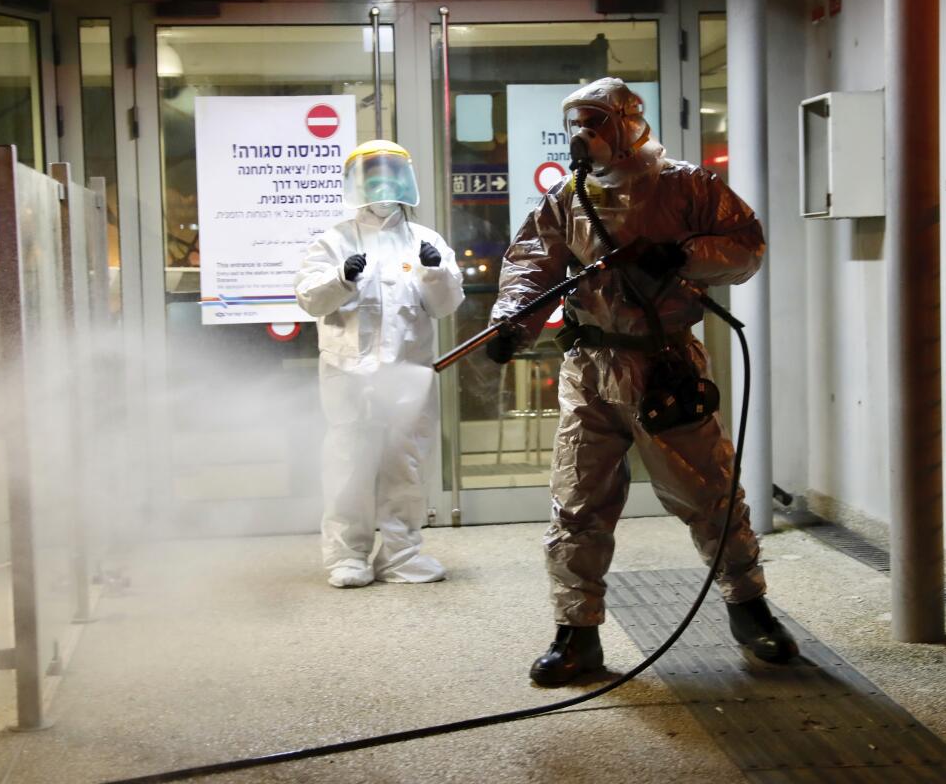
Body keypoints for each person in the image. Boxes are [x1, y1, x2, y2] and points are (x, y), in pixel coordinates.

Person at [485, 78, 798, 685]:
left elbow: (746, 247)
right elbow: (531, 264)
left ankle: (749, 608)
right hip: (591, 373)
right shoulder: (566, 200)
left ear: (630, 122)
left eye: (597, 121)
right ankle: (577, 635)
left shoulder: (689, 187)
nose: (586, 135)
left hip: (664, 368)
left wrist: (683, 256)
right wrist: (510, 325)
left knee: (708, 493)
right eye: (578, 123)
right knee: (577, 503)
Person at [295, 140, 464, 588]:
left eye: (391, 175)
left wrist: (435, 273)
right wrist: (341, 278)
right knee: (348, 466)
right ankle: (345, 556)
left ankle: (401, 555)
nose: (383, 185)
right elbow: (309, 298)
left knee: (405, 466)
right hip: (348, 374)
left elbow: (446, 306)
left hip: (408, 374)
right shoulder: (333, 241)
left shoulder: (426, 241)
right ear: (356, 183)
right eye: (373, 176)